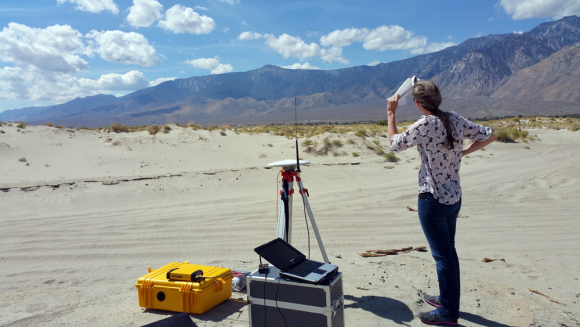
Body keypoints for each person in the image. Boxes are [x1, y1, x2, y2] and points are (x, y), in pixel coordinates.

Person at [387, 80, 495, 325]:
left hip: (432, 199)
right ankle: (446, 300)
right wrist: (464, 152)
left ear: (418, 103)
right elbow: (490, 135)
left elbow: (394, 145)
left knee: (443, 257)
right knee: (449, 253)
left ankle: (447, 313)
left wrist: (391, 114)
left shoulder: (425, 125)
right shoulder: (454, 118)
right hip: (453, 197)